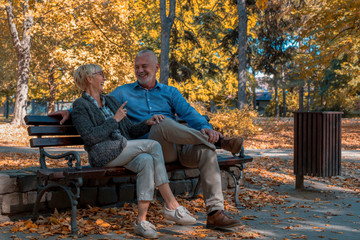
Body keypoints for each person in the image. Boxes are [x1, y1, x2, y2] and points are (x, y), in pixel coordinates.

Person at [49, 50, 244, 230]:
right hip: (152, 147)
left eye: (144, 66)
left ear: (156, 68)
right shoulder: (122, 92)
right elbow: (92, 106)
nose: (140, 70)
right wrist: (69, 111)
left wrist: (207, 128)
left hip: (179, 148)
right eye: (137, 67)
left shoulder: (170, 92)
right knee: (162, 122)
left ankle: (215, 213)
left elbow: (190, 114)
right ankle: (219, 143)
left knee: (206, 152)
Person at [70, 64, 196, 239]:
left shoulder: (111, 101)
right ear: (89, 78)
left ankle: (141, 221)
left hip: (122, 148)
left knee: (145, 160)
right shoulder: (80, 105)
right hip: (102, 154)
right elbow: (90, 137)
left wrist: (147, 123)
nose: (104, 78)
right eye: (101, 74)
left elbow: (129, 130)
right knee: (153, 146)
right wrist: (114, 120)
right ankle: (171, 205)